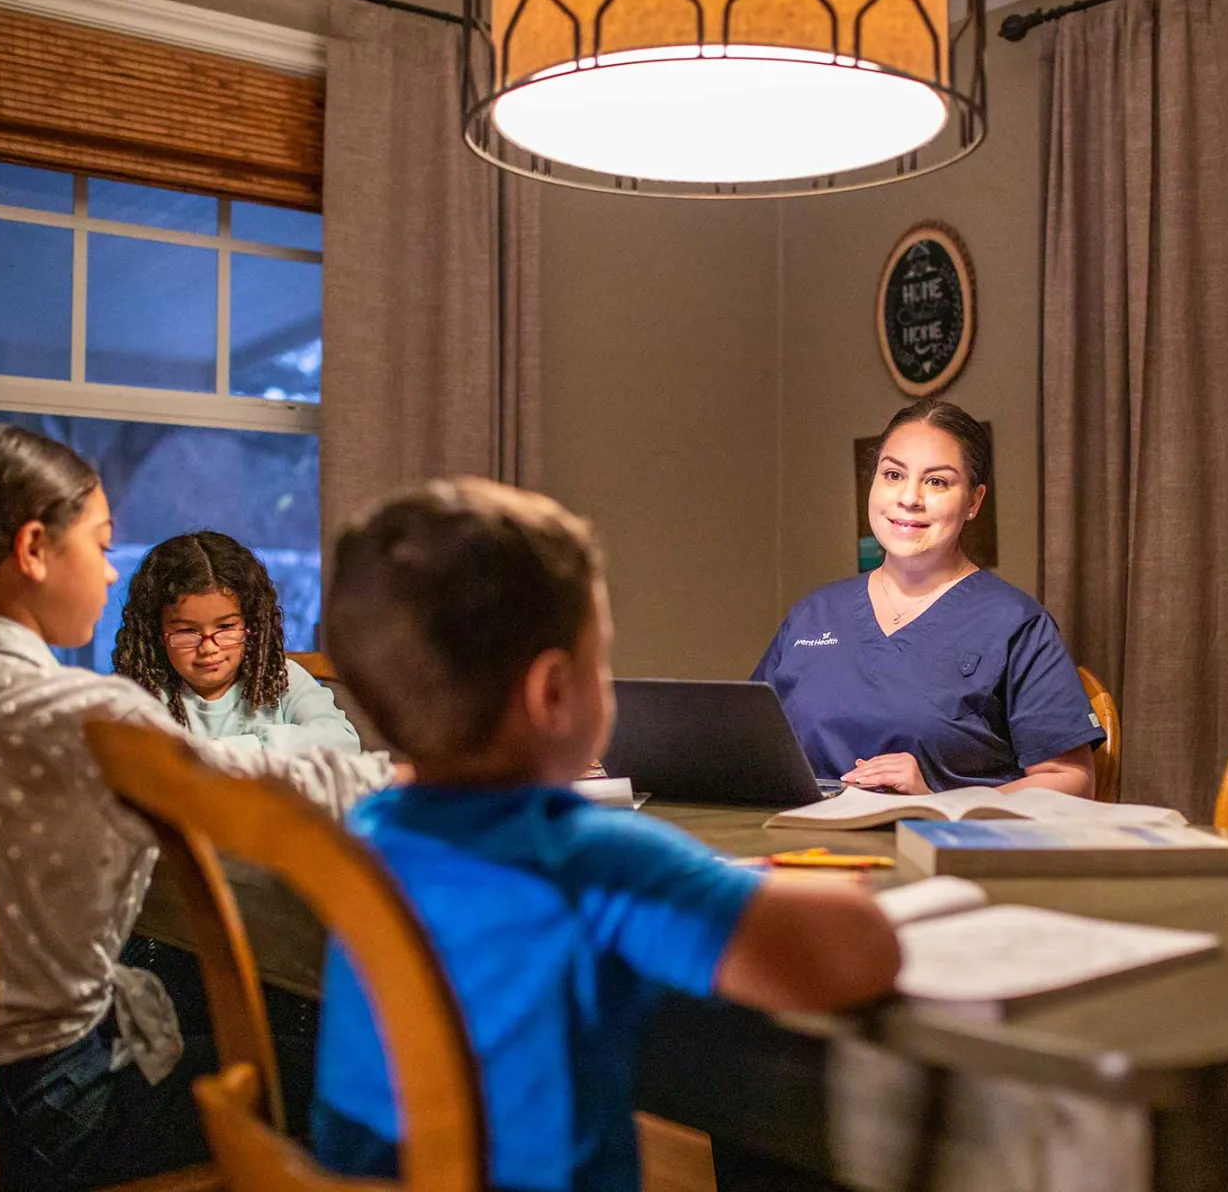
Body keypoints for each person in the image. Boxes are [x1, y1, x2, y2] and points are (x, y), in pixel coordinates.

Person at [311, 477, 900, 1190]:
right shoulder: (586, 857)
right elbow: (857, 953)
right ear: (553, 693)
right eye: (604, 657)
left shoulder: (369, 829)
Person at [0, 425, 395, 1191]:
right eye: (99, 547)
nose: (105, 575)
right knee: (375, 1086)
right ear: (34, 550)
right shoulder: (78, 715)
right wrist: (426, 775)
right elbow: (274, 790)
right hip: (50, 1116)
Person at [754, 401, 1103, 798]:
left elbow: (1072, 781)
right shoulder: (813, 615)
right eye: (892, 474)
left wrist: (938, 799)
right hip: (800, 851)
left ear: (973, 502)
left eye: (937, 482)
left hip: (934, 852)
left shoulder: (1016, 624)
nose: (909, 497)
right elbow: (748, 748)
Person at [113, 531, 360, 753]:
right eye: (187, 631)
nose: (208, 647)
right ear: (156, 631)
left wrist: (225, 751)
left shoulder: (283, 680)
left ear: (251, 624)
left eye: (226, 627)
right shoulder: (143, 695)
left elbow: (342, 740)